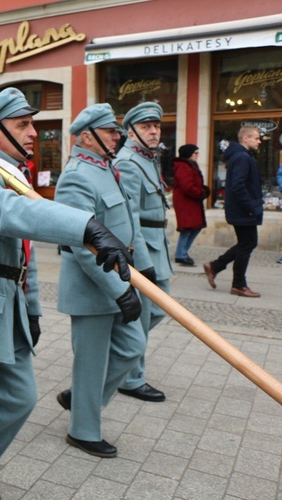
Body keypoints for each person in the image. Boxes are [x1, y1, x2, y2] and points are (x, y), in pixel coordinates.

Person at [0, 89, 135, 498]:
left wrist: (32, 309)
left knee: (20, 398)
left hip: (10, 304)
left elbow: (24, 253)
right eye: (23, 125)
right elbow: (9, 214)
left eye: (31, 124)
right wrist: (86, 226)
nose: (34, 133)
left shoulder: (15, 174)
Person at [54, 103, 145, 458]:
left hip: (118, 280)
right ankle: (83, 429)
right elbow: (82, 246)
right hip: (92, 288)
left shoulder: (106, 168)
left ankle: (80, 398)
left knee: (132, 347)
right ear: (87, 137)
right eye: (109, 131)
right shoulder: (77, 175)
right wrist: (121, 292)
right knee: (91, 363)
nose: (117, 136)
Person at [114, 102, 172, 403]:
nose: (153, 131)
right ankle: (132, 378)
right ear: (132, 131)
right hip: (144, 248)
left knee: (158, 311)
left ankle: (123, 358)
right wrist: (143, 262)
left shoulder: (149, 158)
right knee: (146, 314)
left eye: (156, 126)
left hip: (157, 243)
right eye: (147, 126)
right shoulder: (128, 162)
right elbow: (130, 216)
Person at [203, 126, 263, 297]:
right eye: (256, 138)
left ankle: (215, 267)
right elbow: (238, 186)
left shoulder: (242, 156)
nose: (259, 141)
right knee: (247, 244)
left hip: (242, 210)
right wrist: (251, 207)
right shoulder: (242, 157)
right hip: (244, 211)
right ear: (246, 139)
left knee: (246, 243)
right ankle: (238, 284)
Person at [172, 145, 209, 266]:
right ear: (189, 154)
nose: (197, 155)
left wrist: (202, 190)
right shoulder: (184, 166)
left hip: (191, 201)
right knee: (187, 229)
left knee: (194, 227)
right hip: (186, 202)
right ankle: (181, 254)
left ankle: (182, 252)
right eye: (195, 153)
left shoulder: (190, 165)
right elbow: (187, 186)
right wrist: (200, 193)